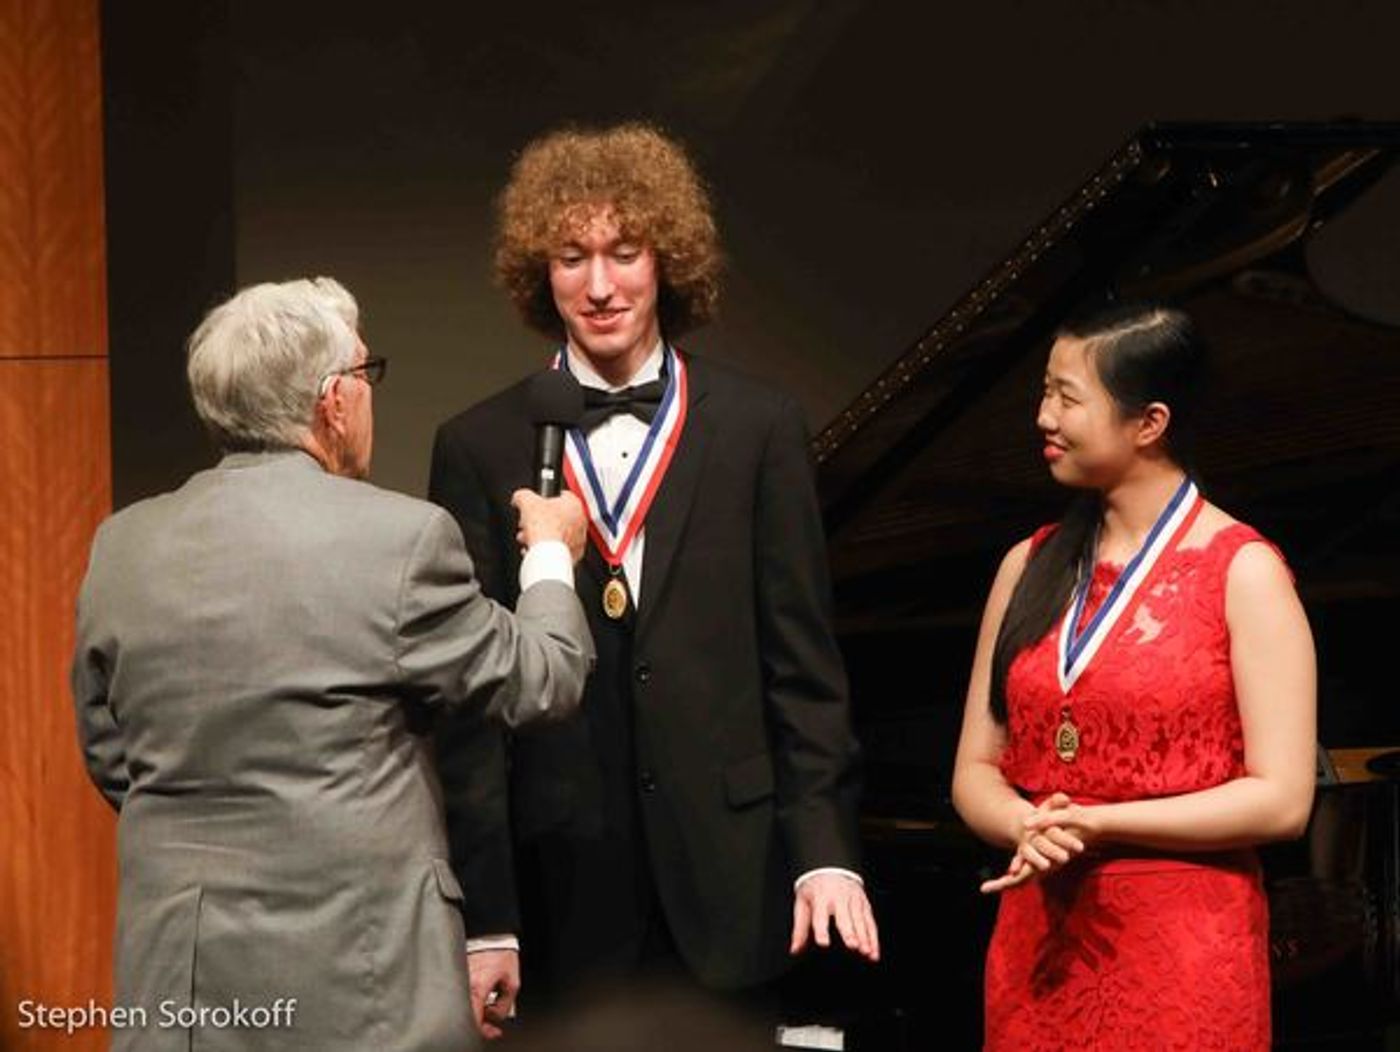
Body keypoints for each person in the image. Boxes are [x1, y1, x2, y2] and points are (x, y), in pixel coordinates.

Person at [429, 123, 878, 1036]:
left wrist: (825, 854)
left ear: (665, 260)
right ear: (538, 273)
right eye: (571, 257)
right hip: (559, 889)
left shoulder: (759, 428)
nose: (599, 286)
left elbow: (804, 669)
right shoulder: (476, 444)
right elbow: (468, 718)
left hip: (736, 879)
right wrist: (489, 919)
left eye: (624, 253)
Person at [71, 277, 594, 1052]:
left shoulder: (124, 545)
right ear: (332, 402)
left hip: (185, 987)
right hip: (363, 983)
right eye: (363, 372)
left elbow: (112, 754)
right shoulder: (401, 541)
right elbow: (544, 679)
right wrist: (553, 549)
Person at [951, 303, 1317, 1049]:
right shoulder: (1026, 565)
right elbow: (974, 770)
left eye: (1067, 398)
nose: (1043, 417)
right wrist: (1025, 824)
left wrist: (1101, 823)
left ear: (1148, 423)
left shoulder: (1242, 572)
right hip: (1038, 940)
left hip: (1182, 950)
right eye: (1044, 391)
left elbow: (1282, 802)